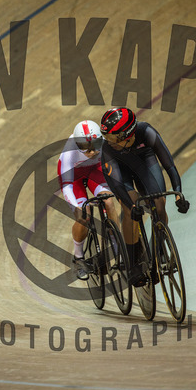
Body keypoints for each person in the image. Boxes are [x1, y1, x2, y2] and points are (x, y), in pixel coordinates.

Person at [99, 107, 189, 287]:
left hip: (145, 162)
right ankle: (133, 264)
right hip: (121, 172)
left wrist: (178, 193)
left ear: (128, 134)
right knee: (130, 209)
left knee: (159, 204)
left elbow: (169, 165)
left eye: (113, 137)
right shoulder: (108, 149)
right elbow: (117, 184)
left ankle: (158, 249)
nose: (109, 141)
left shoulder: (146, 132)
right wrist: (132, 207)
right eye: (106, 137)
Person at [58, 120, 119, 281]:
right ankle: (78, 258)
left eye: (96, 146)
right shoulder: (69, 153)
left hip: (94, 171)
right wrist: (77, 209)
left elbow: (115, 169)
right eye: (85, 148)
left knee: (109, 202)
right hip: (74, 178)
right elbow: (66, 186)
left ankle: (117, 246)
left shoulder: (105, 143)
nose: (92, 152)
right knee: (84, 216)